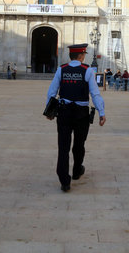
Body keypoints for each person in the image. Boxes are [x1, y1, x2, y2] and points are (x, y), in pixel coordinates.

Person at [46, 43, 106, 192]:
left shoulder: (62, 69)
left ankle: (64, 181)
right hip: (81, 113)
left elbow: (52, 92)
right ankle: (77, 170)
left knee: (63, 146)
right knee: (79, 145)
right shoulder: (87, 71)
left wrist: (49, 112)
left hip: (64, 111)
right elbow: (95, 94)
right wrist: (101, 112)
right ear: (81, 56)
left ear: (70, 56)